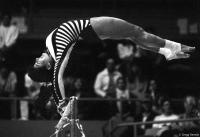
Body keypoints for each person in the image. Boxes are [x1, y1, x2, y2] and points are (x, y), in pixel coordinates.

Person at [27, 16, 195, 131]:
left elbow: (51, 83)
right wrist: (63, 108)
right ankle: (174, 47)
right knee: (136, 31)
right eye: (37, 64)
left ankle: (166, 52)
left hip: (91, 32)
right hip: (92, 27)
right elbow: (57, 78)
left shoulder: (49, 46)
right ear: (48, 66)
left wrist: (59, 105)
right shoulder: (57, 52)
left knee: (134, 36)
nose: (36, 58)